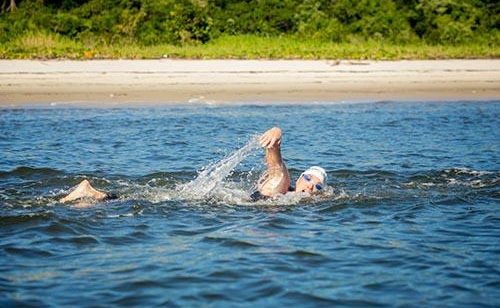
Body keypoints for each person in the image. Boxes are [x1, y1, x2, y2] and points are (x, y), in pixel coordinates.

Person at [59, 127, 327, 203]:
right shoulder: (282, 185)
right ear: (299, 177)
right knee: (159, 202)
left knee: (157, 199)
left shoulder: (289, 197)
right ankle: (93, 195)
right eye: (309, 178)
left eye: (318, 185)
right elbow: (276, 164)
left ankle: (93, 195)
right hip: (214, 207)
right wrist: (277, 133)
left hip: (219, 204)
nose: (312, 186)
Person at [251, 126, 327, 200]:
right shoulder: (282, 188)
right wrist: (275, 138)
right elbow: (277, 170)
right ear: (298, 180)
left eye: (318, 186)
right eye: (308, 178)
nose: (310, 186)